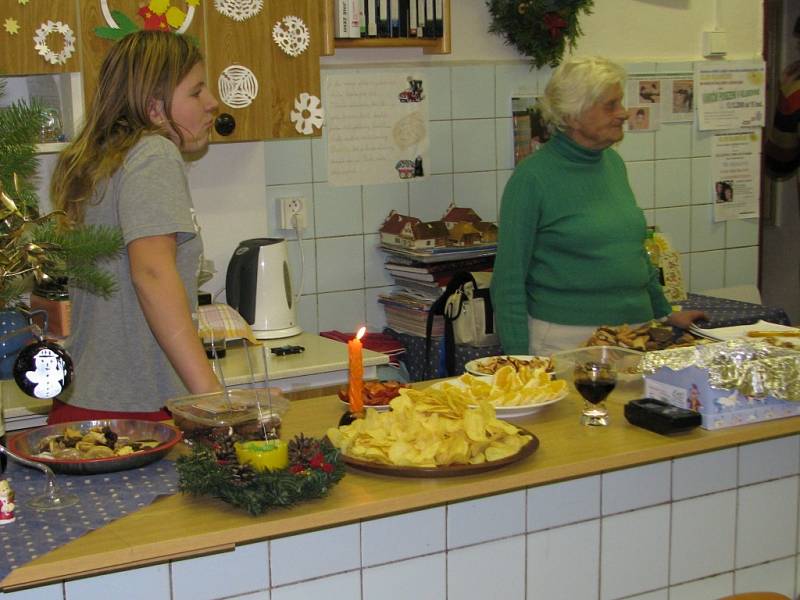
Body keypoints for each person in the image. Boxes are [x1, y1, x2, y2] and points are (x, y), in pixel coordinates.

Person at [48, 31, 223, 424]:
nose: (212, 102)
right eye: (196, 92)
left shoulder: (102, 160)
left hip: (87, 398)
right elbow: (152, 273)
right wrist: (213, 397)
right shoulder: (153, 153)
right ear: (155, 108)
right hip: (137, 410)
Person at [490, 56, 705, 356]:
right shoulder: (532, 178)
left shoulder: (613, 164)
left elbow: (635, 254)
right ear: (573, 115)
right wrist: (518, 361)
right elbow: (508, 281)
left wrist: (665, 313)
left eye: (621, 102)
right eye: (610, 105)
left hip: (636, 332)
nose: (624, 113)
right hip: (568, 340)